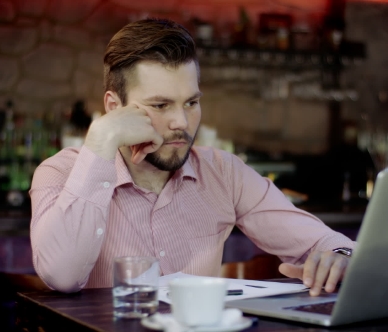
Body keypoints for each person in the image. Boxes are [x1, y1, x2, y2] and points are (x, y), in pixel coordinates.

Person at [29, 18, 355, 296]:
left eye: (190, 103)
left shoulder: (223, 173)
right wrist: (101, 140)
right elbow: (63, 276)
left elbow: (331, 245)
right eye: (160, 105)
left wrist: (339, 255)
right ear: (115, 107)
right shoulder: (60, 172)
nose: (182, 123)